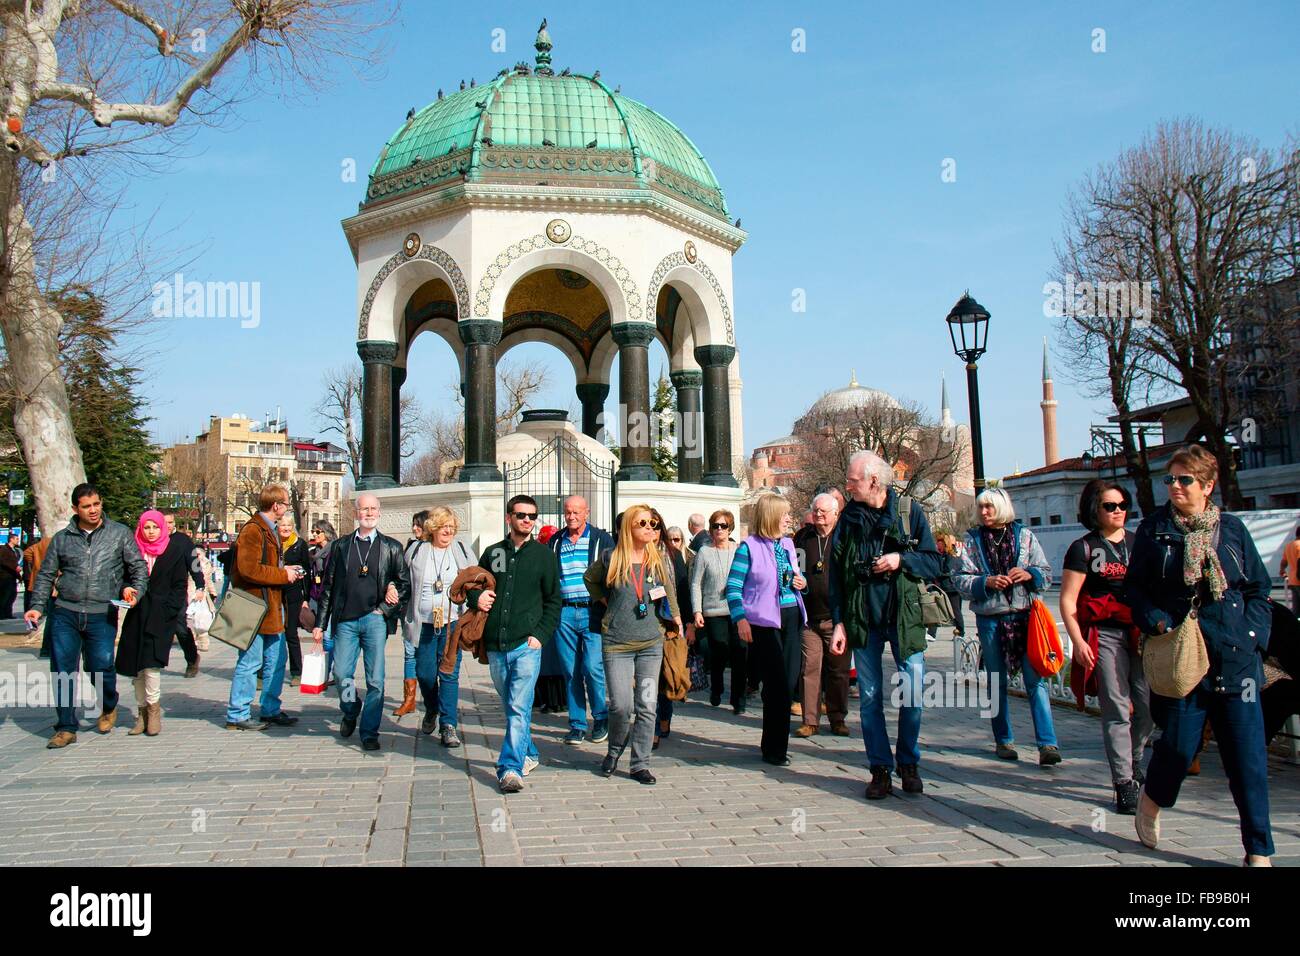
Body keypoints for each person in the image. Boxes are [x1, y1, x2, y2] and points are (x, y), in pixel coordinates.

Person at [1124, 445, 1274, 866]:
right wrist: (1155, 620)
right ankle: (1153, 799)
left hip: (1235, 658)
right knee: (1177, 749)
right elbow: (1134, 589)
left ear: (1207, 485)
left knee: (1248, 760)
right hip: (1182, 657)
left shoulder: (1232, 529)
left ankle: (1258, 851)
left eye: (1184, 480)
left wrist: (1252, 635)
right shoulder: (1154, 531)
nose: (1174, 486)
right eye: (1169, 479)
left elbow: (1257, 589)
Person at [828, 451, 941, 798]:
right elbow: (837, 577)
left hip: (904, 618)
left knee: (913, 693)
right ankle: (880, 769)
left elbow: (934, 561)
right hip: (864, 619)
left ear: (874, 480)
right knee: (871, 697)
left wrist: (899, 559)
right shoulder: (848, 520)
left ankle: (908, 762)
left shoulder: (909, 513)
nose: (847, 486)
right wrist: (839, 623)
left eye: (853, 480)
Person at [26, 482, 148, 748]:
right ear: (75, 509)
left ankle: (108, 704)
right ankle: (66, 727)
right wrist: (36, 605)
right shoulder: (62, 539)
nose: (93, 510)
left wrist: (135, 591)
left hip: (101, 613)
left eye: (96, 504)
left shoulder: (119, 534)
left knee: (100, 666)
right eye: (86, 506)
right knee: (63, 670)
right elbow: (46, 575)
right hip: (65, 613)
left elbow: (138, 567)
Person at [1059, 479, 1151, 815]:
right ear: (1094, 510)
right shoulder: (1083, 548)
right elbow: (1068, 601)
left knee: (1147, 705)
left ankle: (1136, 757)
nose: (1118, 512)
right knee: (1116, 707)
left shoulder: (1137, 544)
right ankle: (1124, 782)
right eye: (1110, 506)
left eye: (1122, 505)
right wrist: (1078, 641)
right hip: (1104, 634)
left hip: (1138, 633)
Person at [953, 486, 1058, 765]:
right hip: (991, 618)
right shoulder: (972, 540)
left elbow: (1046, 573)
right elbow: (959, 579)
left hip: (1025, 616)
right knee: (996, 681)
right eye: (981, 507)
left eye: (989, 507)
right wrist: (985, 582)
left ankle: (1047, 744)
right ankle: (1003, 739)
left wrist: (1029, 574)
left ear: (1002, 507)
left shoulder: (1025, 537)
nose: (984, 512)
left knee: (1036, 680)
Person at [464, 495, 560, 792]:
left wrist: (540, 635)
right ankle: (528, 751)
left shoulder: (543, 556)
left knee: (519, 706)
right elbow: (473, 585)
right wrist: (475, 597)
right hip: (496, 643)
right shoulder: (493, 553)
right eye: (521, 515)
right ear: (509, 518)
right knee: (511, 705)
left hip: (526, 644)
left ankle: (509, 768)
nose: (528, 520)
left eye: (532, 516)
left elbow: (554, 600)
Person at [585, 505, 683, 784]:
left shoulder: (657, 560)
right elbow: (589, 580)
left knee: (647, 704)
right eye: (643, 523)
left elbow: (669, 591)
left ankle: (640, 764)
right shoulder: (610, 558)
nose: (651, 528)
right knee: (620, 706)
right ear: (629, 527)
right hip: (617, 644)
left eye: (654, 523)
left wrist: (676, 618)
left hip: (651, 644)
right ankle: (614, 750)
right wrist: (606, 603)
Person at [312, 493, 410, 751]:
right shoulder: (342, 546)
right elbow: (329, 588)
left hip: (374, 620)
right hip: (345, 620)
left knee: (376, 680)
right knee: (341, 673)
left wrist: (387, 605)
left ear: (379, 512)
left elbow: (403, 584)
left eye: (373, 509)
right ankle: (351, 707)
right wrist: (320, 624)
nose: (368, 513)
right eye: (363, 509)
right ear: (356, 513)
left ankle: (369, 731)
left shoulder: (391, 547)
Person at [727, 494, 807, 767]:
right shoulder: (747, 548)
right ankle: (774, 749)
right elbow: (733, 588)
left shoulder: (788, 543)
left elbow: (795, 579)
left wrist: (800, 581)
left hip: (792, 618)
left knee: (788, 683)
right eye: (784, 514)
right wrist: (740, 619)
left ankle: (776, 744)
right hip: (764, 623)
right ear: (771, 516)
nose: (788, 519)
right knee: (776, 687)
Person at [224, 485, 304, 732]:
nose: (287, 507)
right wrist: (283, 574)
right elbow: (248, 570)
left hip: (271, 608)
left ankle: (270, 709)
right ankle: (237, 714)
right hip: (254, 606)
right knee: (250, 662)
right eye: (286, 503)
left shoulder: (269, 530)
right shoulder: (253, 530)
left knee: (276, 660)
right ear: (276, 505)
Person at [115, 511, 193, 736]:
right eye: (146, 527)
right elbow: (123, 578)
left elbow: (179, 584)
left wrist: (170, 610)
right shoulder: (133, 550)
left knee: (151, 665)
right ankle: (141, 714)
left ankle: (154, 711)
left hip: (160, 615)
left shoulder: (173, 551)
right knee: (136, 667)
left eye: (155, 527)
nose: (151, 532)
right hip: (137, 613)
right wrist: (125, 590)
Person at [403, 507, 477, 746]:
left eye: (451, 527)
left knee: (449, 674)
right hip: (424, 623)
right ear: (433, 527)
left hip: (452, 622)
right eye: (444, 526)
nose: (448, 531)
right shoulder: (416, 551)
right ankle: (432, 707)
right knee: (425, 675)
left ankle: (448, 725)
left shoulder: (462, 550)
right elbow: (403, 581)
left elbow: (476, 579)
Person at [546, 495, 614, 745]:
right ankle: (576, 723)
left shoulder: (601, 539)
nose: (571, 516)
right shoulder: (556, 540)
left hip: (593, 611)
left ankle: (601, 717)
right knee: (570, 670)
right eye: (567, 512)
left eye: (576, 512)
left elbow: (613, 570)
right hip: (564, 612)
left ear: (587, 512)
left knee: (592, 667)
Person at [793, 492, 850, 737]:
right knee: (810, 669)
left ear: (835, 514)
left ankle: (837, 717)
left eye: (823, 511)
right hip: (809, 618)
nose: (818, 514)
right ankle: (810, 720)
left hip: (837, 620)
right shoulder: (804, 538)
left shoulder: (845, 538)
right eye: (815, 510)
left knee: (838, 671)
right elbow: (791, 566)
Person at [691, 509, 744, 712]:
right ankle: (717, 687)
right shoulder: (705, 551)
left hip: (737, 610)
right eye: (715, 526)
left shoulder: (738, 549)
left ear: (730, 528)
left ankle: (738, 699)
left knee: (740, 652)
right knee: (719, 652)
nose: (719, 530)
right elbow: (696, 583)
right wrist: (697, 611)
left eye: (723, 526)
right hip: (713, 610)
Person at [653, 509, 693, 747]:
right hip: (645, 624)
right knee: (651, 677)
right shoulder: (636, 554)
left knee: (665, 674)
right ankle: (654, 725)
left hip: (668, 623)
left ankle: (664, 717)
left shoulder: (672, 554)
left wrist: (687, 622)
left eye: (657, 526)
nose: (653, 531)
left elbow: (683, 588)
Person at [159, 511, 203, 678]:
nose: (167, 526)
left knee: (180, 627)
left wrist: (200, 585)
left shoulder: (182, 541)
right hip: (156, 592)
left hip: (176, 592)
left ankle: (192, 658)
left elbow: (194, 564)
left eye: (170, 522)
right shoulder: (154, 540)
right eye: (164, 522)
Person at [398, 514, 432, 717]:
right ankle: (409, 699)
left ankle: (431, 698)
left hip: (431, 613)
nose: (414, 528)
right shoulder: (412, 547)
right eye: (413, 525)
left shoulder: (437, 548)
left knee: (429, 657)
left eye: (418, 525)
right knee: (410, 653)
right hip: (410, 609)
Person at [277, 515, 311, 687]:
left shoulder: (299, 544)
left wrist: (306, 598)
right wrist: (283, 569)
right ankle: (263, 673)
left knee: (291, 632)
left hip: (293, 592)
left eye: (288, 525)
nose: (286, 528)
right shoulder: (272, 543)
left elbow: (307, 570)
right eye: (282, 525)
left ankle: (297, 672)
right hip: (274, 591)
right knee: (271, 633)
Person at [308, 520, 337, 680]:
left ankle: (329, 671)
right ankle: (327, 669)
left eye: (317, 532)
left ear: (326, 532)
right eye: (313, 531)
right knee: (324, 634)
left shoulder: (334, 550)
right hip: (318, 596)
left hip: (331, 597)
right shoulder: (314, 552)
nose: (314, 534)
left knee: (328, 636)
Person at [929, 534, 965, 643]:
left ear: (945, 544)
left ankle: (960, 632)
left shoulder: (951, 556)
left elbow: (948, 570)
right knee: (935, 608)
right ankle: (931, 633)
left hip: (951, 587)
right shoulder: (942, 555)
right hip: (944, 586)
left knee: (956, 611)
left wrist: (937, 573)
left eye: (939, 543)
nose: (937, 545)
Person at [1280, 526, 1300, 617]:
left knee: (1296, 607)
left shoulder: (1289, 545)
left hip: (1292, 580)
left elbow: (1284, 561)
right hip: (1299, 578)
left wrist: (1282, 570)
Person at [0, 538, 19, 618]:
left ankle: (8, 613)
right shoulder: (3, 549)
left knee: (12, 595)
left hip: (12, 576)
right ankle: (2, 614)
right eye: (16, 539)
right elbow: (3, 561)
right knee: (4, 596)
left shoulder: (14, 550)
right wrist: (15, 567)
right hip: (5, 576)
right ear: (11, 539)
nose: (18, 540)